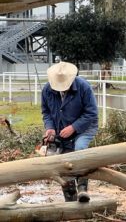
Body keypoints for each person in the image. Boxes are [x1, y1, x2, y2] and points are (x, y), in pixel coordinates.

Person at [42, 61, 98, 203]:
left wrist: (74, 127)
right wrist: (50, 127)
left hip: (85, 127)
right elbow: (46, 112)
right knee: (62, 159)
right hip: (60, 130)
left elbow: (91, 113)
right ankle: (70, 197)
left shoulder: (83, 87)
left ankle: (83, 188)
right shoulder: (47, 90)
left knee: (79, 150)